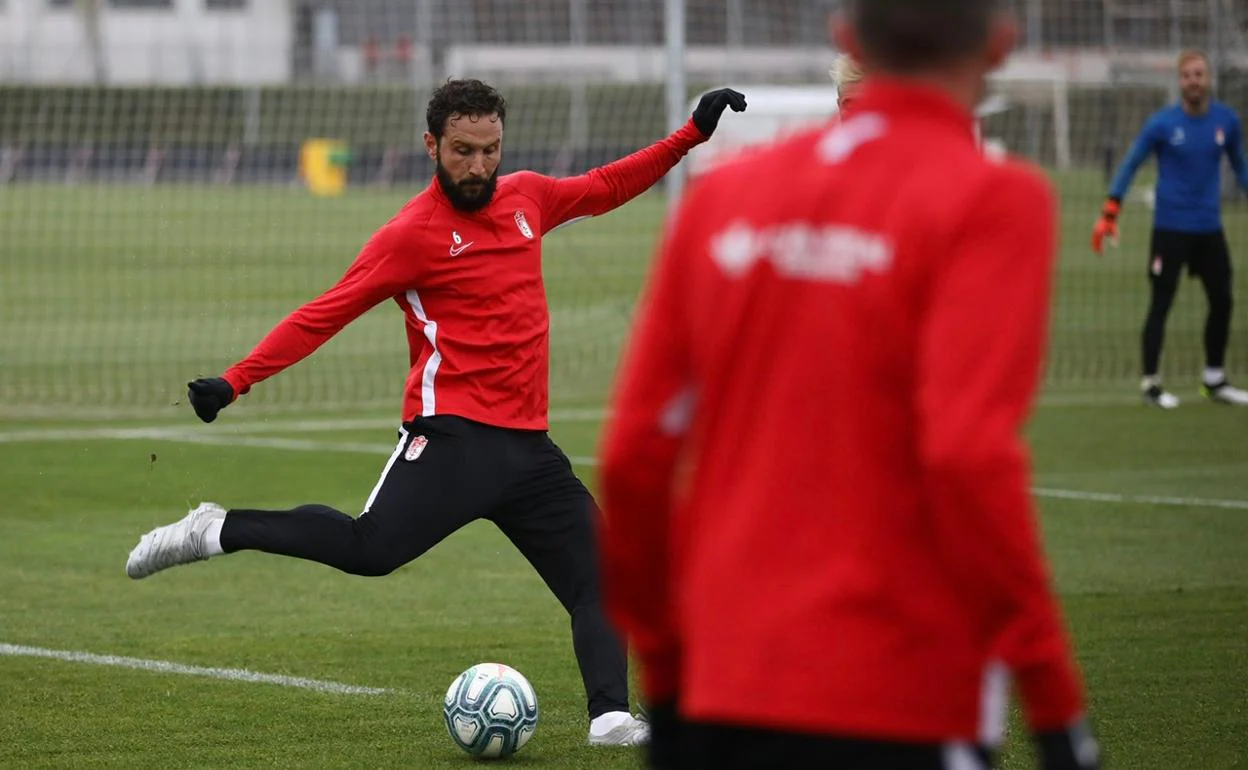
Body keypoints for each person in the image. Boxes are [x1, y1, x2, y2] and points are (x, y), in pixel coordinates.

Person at [124, 77, 746, 747]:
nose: (479, 166)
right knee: (371, 550)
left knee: (604, 578)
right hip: (451, 438)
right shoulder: (411, 236)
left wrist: (691, 136)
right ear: (431, 145)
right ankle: (219, 528)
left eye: (490, 150)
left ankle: (610, 717)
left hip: (529, 452)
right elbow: (324, 314)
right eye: (462, 151)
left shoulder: (527, 198)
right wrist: (235, 380)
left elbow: (606, 185)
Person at [596, 0, 1099, 768]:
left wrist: (667, 678)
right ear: (1000, 45)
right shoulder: (997, 200)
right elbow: (967, 457)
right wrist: (1055, 705)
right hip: (901, 696)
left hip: (722, 690)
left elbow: (633, 457)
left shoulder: (726, 195)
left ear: (845, 38)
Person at [1093, 49, 1248, 408]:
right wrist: (1111, 210)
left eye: (1199, 74)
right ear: (1179, 82)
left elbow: (1240, 166)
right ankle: (1151, 384)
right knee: (1161, 303)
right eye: (1187, 76)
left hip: (1209, 229)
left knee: (1223, 301)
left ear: (1208, 80)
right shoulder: (1162, 124)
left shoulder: (1227, 122)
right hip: (1170, 229)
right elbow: (1131, 164)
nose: (1194, 81)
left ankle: (1214, 380)